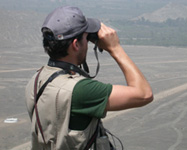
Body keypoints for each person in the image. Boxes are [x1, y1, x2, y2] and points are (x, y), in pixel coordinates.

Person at [25, 5, 153, 150]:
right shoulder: (80, 91)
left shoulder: (36, 79)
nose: (89, 42)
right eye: (86, 38)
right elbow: (144, 94)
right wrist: (115, 48)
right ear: (75, 45)